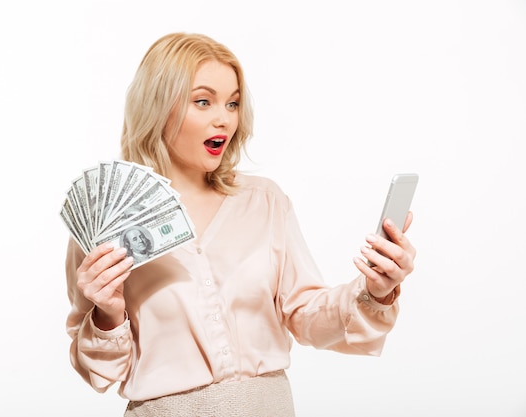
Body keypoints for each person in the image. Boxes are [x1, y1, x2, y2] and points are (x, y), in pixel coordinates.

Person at [65, 32, 416, 416]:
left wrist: (375, 292)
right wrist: (107, 313)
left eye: (233, 103)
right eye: (203, 101)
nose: (224, 119)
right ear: (158, 107)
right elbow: (98, 372)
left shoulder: (264, 202)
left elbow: (307, 314)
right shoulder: (106, 222)